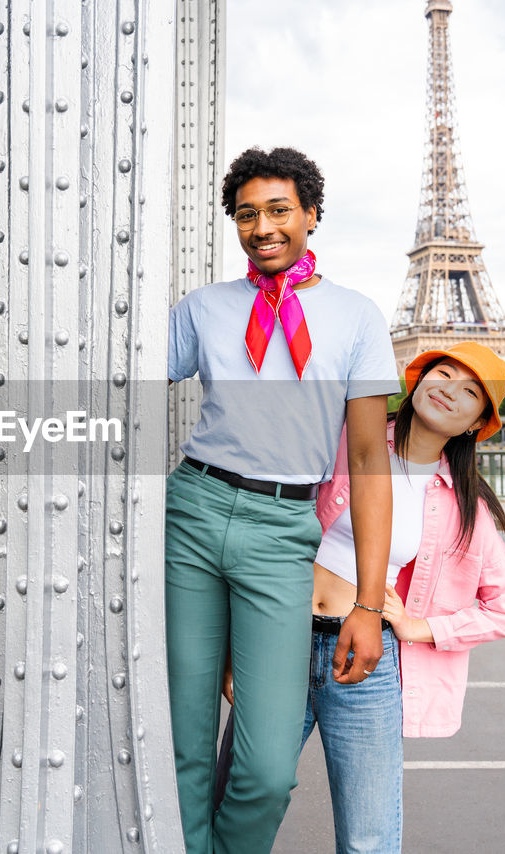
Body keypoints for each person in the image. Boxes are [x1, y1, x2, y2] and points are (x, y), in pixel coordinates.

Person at [165, 146, 399, 854]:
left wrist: (368, 603)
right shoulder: (203, 308)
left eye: (278, 210)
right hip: (193, 514)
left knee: (265, 768)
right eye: (246, 214)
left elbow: (367, 462)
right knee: (182, 743)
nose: (262, 226)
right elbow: (126, 384)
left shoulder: (356, 316)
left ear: (311, 216)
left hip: (281, 530)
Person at [305, 341, 505, 852]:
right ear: (419, 378)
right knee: (247, 796)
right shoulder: (343, 436)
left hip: (363, 659)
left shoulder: (463, 505)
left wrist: (418, 627)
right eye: (444, 373)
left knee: (369, 839)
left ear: (477, 423)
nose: (450, 390)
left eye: (470, 392)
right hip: (280, 635)